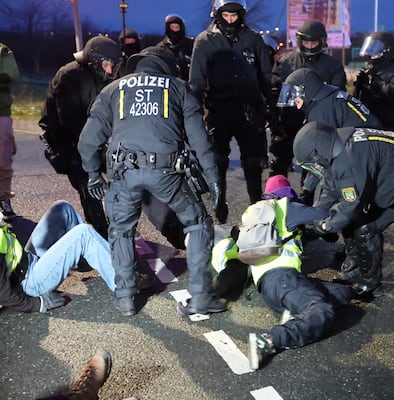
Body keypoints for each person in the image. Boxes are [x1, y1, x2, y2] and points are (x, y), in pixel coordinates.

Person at [77, 46, 225, 317]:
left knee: (121, 230)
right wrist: (214, 179)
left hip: (123, 173)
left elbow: (87, 141)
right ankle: (202, 296)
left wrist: (93, 174)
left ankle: (125, 299)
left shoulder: (113, 90)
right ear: (167, 66)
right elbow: (200, 141)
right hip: (167, 172)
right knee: (198, 224)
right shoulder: (178, 87)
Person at [293, 121, 394, 346]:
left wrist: (324, 227)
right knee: (367, 228)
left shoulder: (348, 158)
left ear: (318, 152)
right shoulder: (338, 143)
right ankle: (370, 283)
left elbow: (348, 208)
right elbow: (330, 188)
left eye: (312, 164)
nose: (314, 169)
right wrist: (315, 215)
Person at [210, 175, 352, 370]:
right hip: (284, 279)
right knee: (322, 310)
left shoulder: (253, 215)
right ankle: (270, 339)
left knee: (342, 293)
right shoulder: (287, 207)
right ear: (287, 194)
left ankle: (294, 313)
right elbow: (324, 214)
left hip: (270, 286)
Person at [188, 0, 272, 220]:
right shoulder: (205, 40)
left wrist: (269, 108)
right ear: (217, 14)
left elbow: (265, 75)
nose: (230, 19)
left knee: (253, 162)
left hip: (249, 108)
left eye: (234, 15)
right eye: (226, 15)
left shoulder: (252, 39)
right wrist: (193, 115)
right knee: (218, 160)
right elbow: (196, 81)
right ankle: (219, 205)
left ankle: (256, 206)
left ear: (241, 15)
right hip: (219, 107)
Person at [39, 36, 122, 239]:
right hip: (65, 139)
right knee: (87, 183)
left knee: (124, 170)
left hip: (93, 136)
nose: (110, 70)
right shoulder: (69, 76)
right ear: (93, 60)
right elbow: (70, 120)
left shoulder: (107, 78)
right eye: (106, 64)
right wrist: (100, 143)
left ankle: (121, 222)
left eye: (114, 65)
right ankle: (101, 235)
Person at [277, 66, 381, 206]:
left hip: (365, 148)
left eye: (296, 94)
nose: (294, 101)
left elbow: (322, 154)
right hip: (368, 142)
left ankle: (335, 222)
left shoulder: (321, 109)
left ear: (307, 90)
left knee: (335, 187)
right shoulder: (328, 96)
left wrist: (307, 188)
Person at [0, 200, 116, 314]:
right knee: (83, 234)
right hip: (29, 282)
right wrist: (38, 304)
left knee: (63, 209)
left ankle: (85, 258)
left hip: (27, 260)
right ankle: (123, 285)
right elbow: (3, 293)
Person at [269, 19, 346, 178]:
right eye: (306, 42)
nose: (310, 46)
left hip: (319, 125)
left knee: (313, 170)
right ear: (299, 41)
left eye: (314, 42)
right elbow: (274, 91)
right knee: (279, 166)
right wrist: (274, 120)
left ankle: (307, 200)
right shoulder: (285, 62)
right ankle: (275, 198)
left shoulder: (333, 65)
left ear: (322, 42)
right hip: (288, 123)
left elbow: (339, 96)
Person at [353, 31, 394, 132]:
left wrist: (375, 82)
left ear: (387, 50)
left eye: (376, 49)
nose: (372, 56)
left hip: (387, 124)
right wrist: (358, 86)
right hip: (366, 122)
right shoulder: (369, 68)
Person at [0, 42, 19, 221]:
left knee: (3, 161)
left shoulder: (3, 51)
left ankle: (4, 199)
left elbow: (11, 75)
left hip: (1, 113)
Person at [157, 14, 194, 81]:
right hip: (169, 84)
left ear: (181, 28)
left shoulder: (191, 44)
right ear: (168, 28)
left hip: (188, 83)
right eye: (172, 27)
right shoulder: (161, 47)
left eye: (177, 27)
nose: (174, 30)